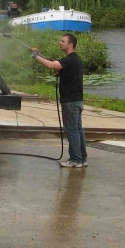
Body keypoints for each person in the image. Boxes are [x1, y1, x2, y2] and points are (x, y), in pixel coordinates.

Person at [31, 32, 86, 168]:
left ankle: (75, 159)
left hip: (70, 101)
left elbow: (52, 65)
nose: (60, 43)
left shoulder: (70, 60)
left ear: (70, 44)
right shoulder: (75, 60)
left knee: (72, 130)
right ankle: (82, 158)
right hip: (77, 100)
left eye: (63, 41)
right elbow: (58, 67)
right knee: (78, 129)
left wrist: (36, 56)